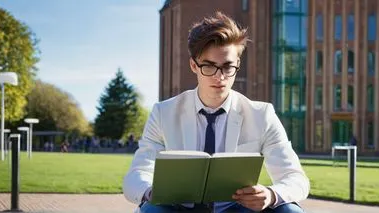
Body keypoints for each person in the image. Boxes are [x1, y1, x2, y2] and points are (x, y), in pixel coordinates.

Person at [123, 12, 309, 213]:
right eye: (209, 66)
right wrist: (153, 192)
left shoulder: (261, 114)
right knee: (152, 209)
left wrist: (271, 195)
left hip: (236, 209)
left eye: (228, 67)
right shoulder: (163, 112)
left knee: (290, 211)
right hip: (177, 208)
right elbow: (137, 175)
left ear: (237, 65)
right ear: (194, 65)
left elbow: (296, 178)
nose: (220, 77)